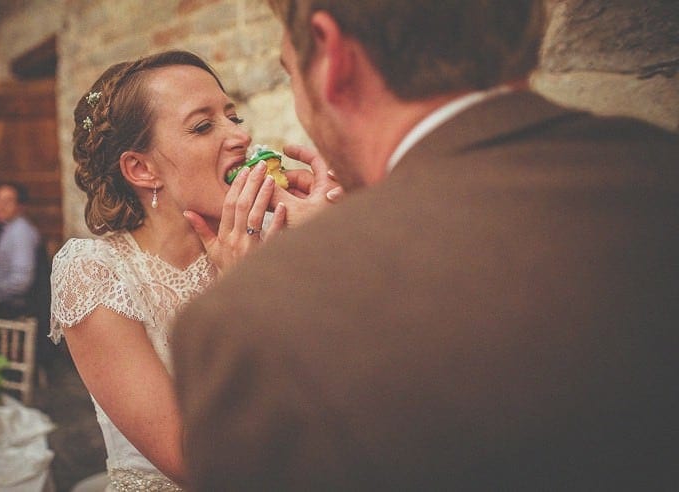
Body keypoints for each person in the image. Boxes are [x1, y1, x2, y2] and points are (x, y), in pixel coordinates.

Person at [171, 1, 679, 490]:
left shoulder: (251, 315)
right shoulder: (659, 166)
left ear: (332, 56)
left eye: (290, 73)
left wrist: (280, 278)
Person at [49, 50, 337, 490]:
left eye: (233, 116)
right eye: (203, 126)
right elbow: (199, 464)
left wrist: (339, 226)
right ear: (142, 169)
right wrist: (243, 296)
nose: (240, 137)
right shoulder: (93, 273)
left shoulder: (269, 237)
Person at [0, 182, 41, 319]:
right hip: (3, 302)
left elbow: (22, 280)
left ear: (21, 207)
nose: (0, 206)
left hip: (13, 309)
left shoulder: (20, 232)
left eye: (7, 202)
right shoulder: (8, 227)